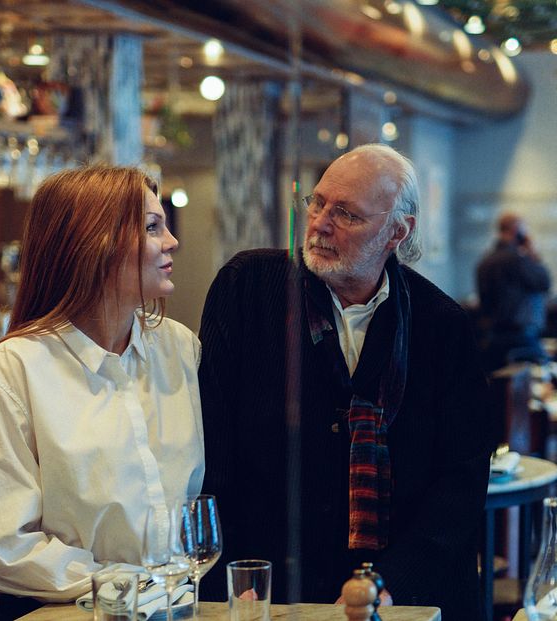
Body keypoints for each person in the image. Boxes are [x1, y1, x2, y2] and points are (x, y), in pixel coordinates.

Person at [199, 144, 492, 621]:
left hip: (395, 592)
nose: (319, 224)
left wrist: (392, 583)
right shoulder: (246, 289)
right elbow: (210, 447)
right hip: (267, 585)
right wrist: (228, 572)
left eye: (347, 214)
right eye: (317, 203)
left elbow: (461, 479)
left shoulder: (441, 324)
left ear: (398, 231)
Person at [0, 166, 205, 619]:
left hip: (179, 608)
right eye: (153, 227)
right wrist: (135, 588)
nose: (171, 242)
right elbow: (4, 544)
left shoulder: (179, 348)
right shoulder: (14, 370)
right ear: (96, 243)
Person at [476, 212, 551, 371]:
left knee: (501, 390)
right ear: (517, 230)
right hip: (521, 338)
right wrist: (533, 253)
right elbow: (544, 282)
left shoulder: (485, 261)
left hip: (492, 338)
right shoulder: (517, 260)